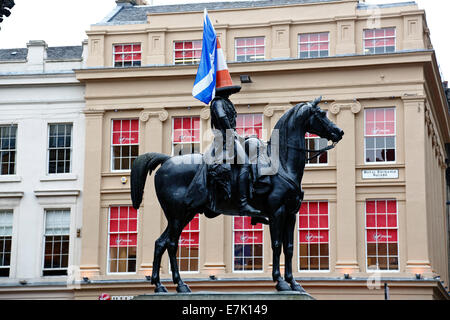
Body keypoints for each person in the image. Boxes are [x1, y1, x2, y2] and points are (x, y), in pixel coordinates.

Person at [208, 81, 261, 216]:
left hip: (232, 136)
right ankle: (243, 204)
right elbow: (222, 117)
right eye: (228, 90)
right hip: (224, 139)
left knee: (256, 148)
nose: (230, 92)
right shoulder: (217, 102)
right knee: (245, 164)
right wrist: (232, 133)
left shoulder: (226, 102)